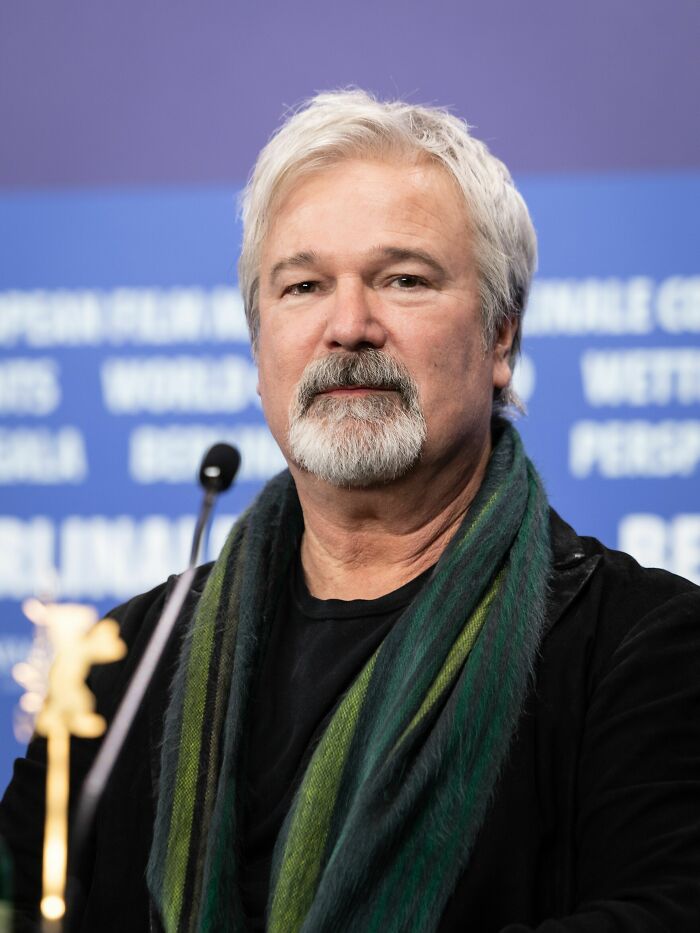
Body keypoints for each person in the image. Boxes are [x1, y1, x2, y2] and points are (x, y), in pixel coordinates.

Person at [2, 89, 700, 933]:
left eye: (403, 279)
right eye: (302, 286)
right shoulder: (125, 666)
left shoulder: (642, 644)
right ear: (260, 348)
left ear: (501, 340)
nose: (349, 325)